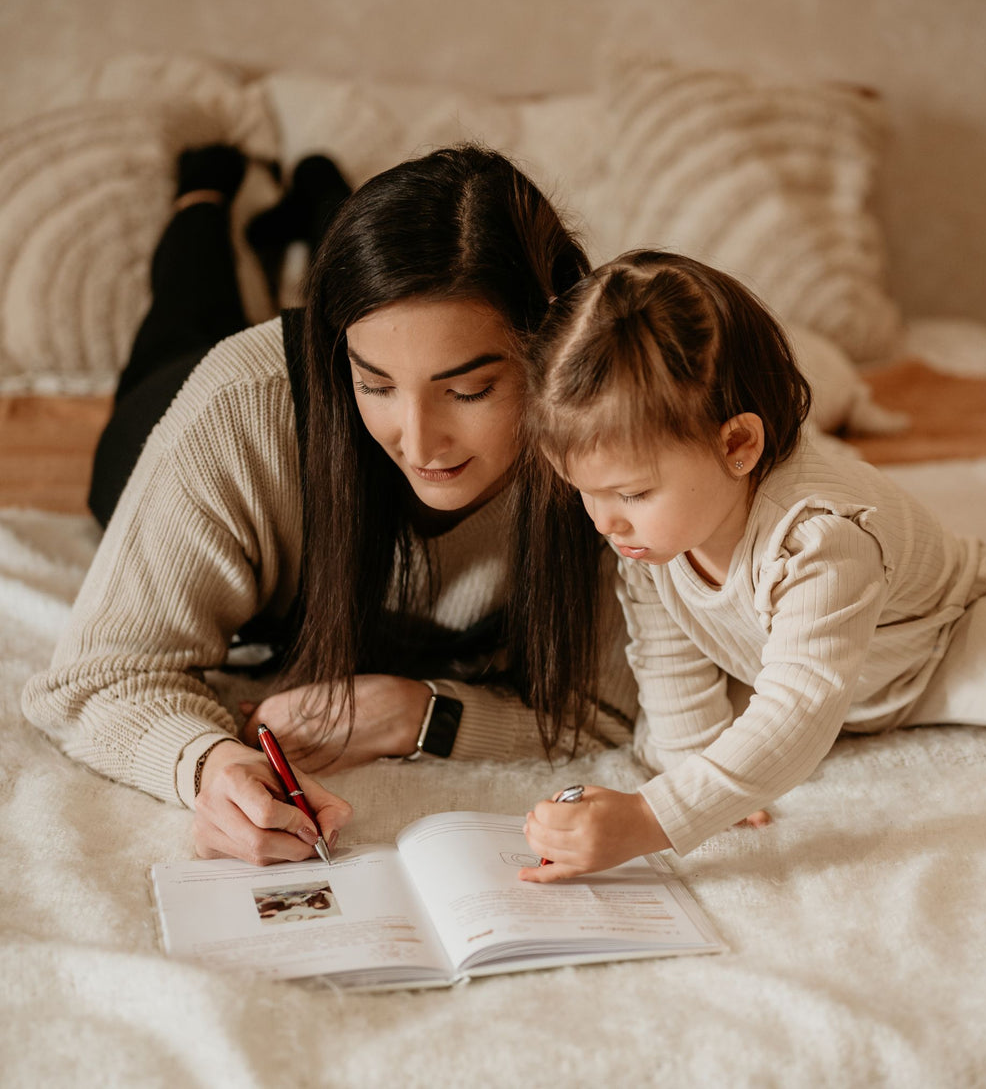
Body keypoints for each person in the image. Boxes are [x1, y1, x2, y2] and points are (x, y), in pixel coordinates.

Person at [21, 144, 637, 867]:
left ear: (554, 350)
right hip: (176, 414)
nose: (418, 442)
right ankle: (205, 194)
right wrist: (209, 765)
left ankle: (323, 196)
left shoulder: (606, 429)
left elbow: (607, 705)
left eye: (468, 391)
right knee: (188, 312)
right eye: (374, 384)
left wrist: (418, 715)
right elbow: (91, 679)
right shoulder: (235, 409)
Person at [515, 249, 986, 883]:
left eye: (630, 493)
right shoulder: (648, 534)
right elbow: (670, 655)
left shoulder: (820, 537)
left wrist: (654, 818)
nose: (603, 521)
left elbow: (799, 709)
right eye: (583, 490)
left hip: (942, 649)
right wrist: (691, 769)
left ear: (738, 444)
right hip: (772, 655)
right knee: (654, 726)